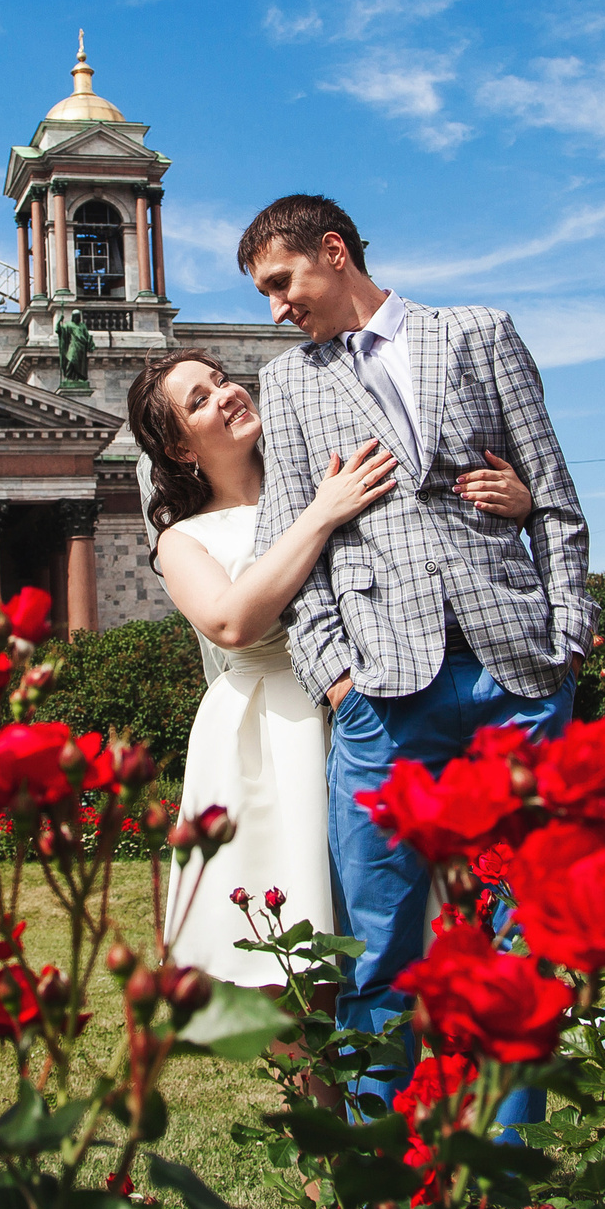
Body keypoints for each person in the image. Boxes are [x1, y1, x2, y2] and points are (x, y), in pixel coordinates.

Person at [239, 193, 592, 1112]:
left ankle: (503, 1169)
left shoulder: (478, 332)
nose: (276, 309)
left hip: (517, 668)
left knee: (530, 936)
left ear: (333, 250)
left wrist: (567, 638)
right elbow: (296, 543)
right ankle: (378, 1184)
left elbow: (553, 496)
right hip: (384, 695)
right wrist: (336, 681)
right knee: (377, 947)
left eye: (282, 283)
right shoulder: (290, 384)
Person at [125, 349, 534, 988]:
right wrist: (320, 514)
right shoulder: (184, 539)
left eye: (222, 380)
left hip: (381, 700)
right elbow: (232, 623)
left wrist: (517, 500)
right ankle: (322, 1088)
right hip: (270, 733)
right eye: (200, 400)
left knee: (413, 924)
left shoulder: (328, 471)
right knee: (293, 946)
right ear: (180, 450)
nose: (227, 395)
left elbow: (429, 527)